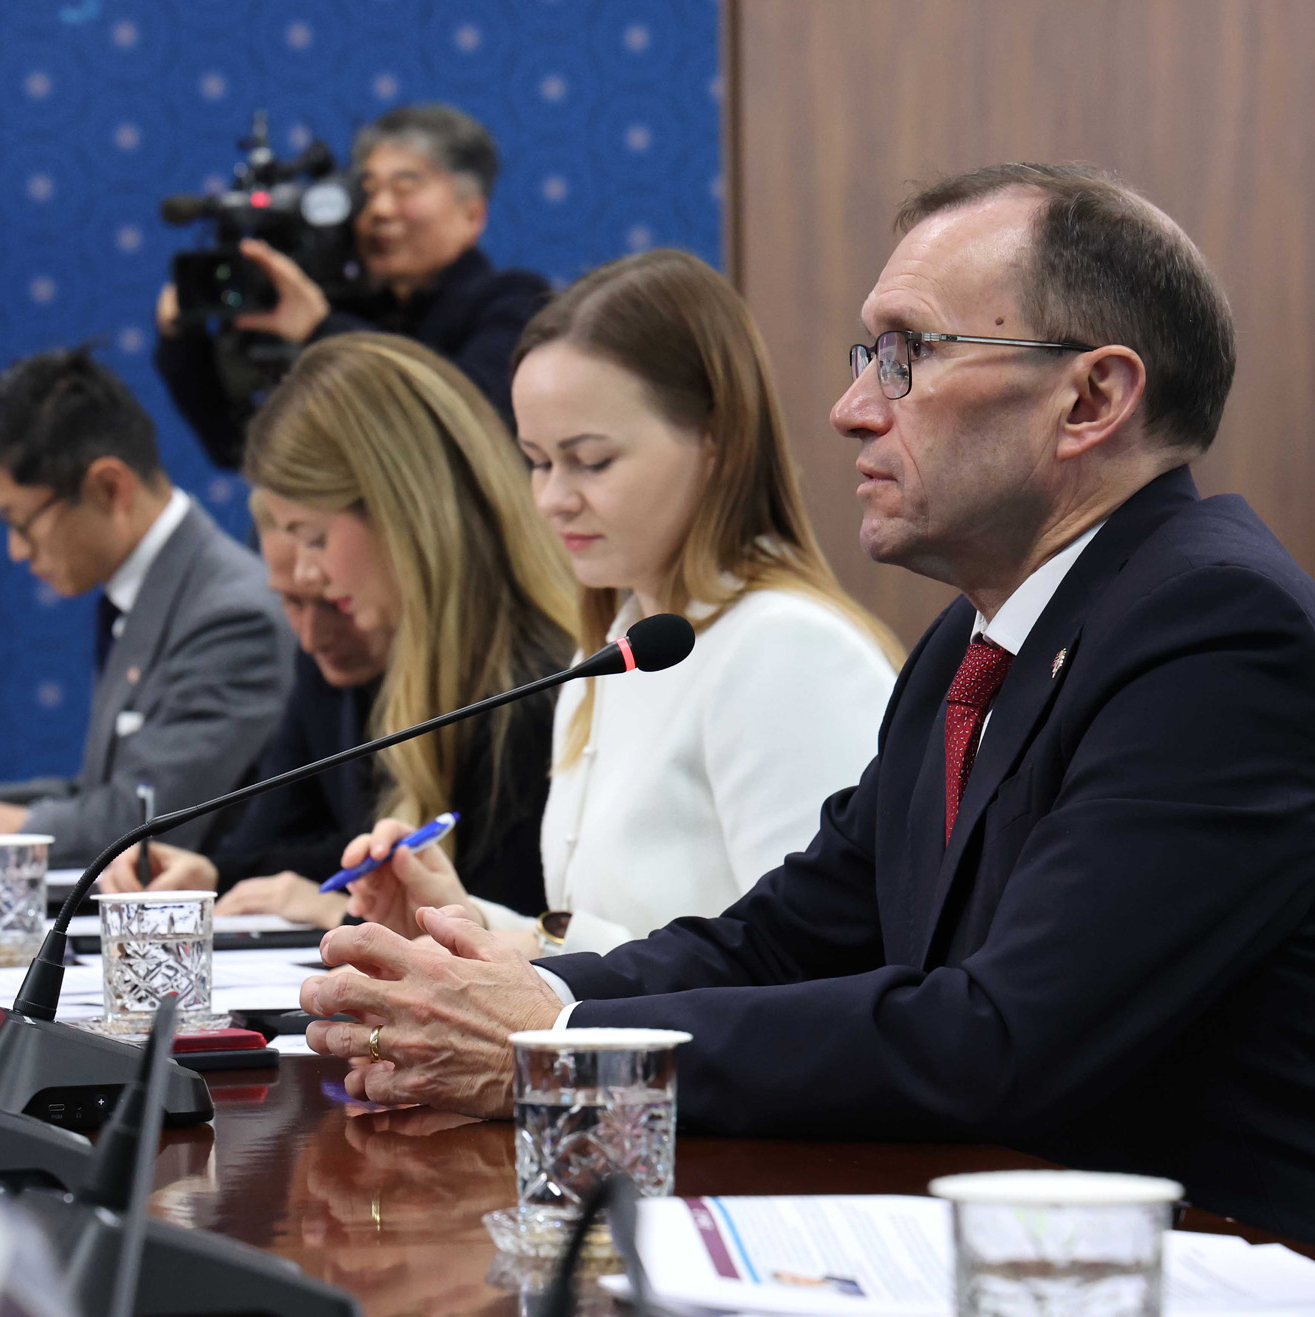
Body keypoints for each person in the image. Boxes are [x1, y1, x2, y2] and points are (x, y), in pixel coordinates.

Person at [297, 165, 1315, 1292]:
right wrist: (503, 987)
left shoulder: (1216, 631)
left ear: (1091, 396)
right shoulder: (977, 637)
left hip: (1293, 1267)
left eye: (904, 356)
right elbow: (783, 938)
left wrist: (554, 1036)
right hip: (1063, 1243)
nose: (846, 409)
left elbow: (1003, 1039)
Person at [340, 249, 903, 955]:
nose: (551, 498)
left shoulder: (785, 649)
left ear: (717, 441)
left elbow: (818, 968)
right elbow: (627, 945)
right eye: (539, 461)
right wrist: (462, 925)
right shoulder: (617, 647)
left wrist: (524, 958)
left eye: (591, 460)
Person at [118, 332, 576, 922]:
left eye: (315, 538)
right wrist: (218, 875)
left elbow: (508, 923)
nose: (307, 573)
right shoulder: (352, 660)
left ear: (402, 515)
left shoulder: (534, 685)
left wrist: (338, 913)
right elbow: (299, 845)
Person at [0, 346, 294, 865]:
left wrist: (17, 828)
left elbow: (150, 820)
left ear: (108, 487)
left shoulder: (232, 617)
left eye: (20, 522)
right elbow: (111, 787)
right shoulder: (158, 587)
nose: (17, 550)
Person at [155, 103, 549, 469]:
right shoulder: (340, 310)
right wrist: (184, 342)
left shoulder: (515, 301)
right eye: (367, 191)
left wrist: (322, 331)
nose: (379, 210)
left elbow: (472, 420)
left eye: (404, 187)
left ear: (472, 213)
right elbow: (239, 447)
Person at [98, 492, 390, 929]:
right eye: (291, 603)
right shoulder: (317, 672)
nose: (311, 637)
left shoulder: (480, 685)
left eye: (332, 603)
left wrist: (341, 913)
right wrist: (214, 875)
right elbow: (293, 838)